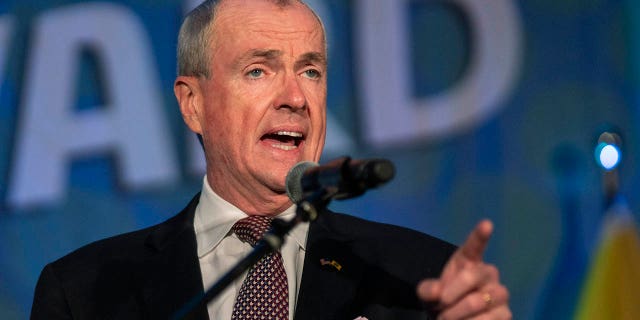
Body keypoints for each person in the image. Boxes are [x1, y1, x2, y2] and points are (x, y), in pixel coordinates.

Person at [31, 0, 511, 319]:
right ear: (192, 103)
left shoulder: (420, 277)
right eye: (258, 70)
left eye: (311, 70)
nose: (295, 98)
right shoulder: (83, 291)